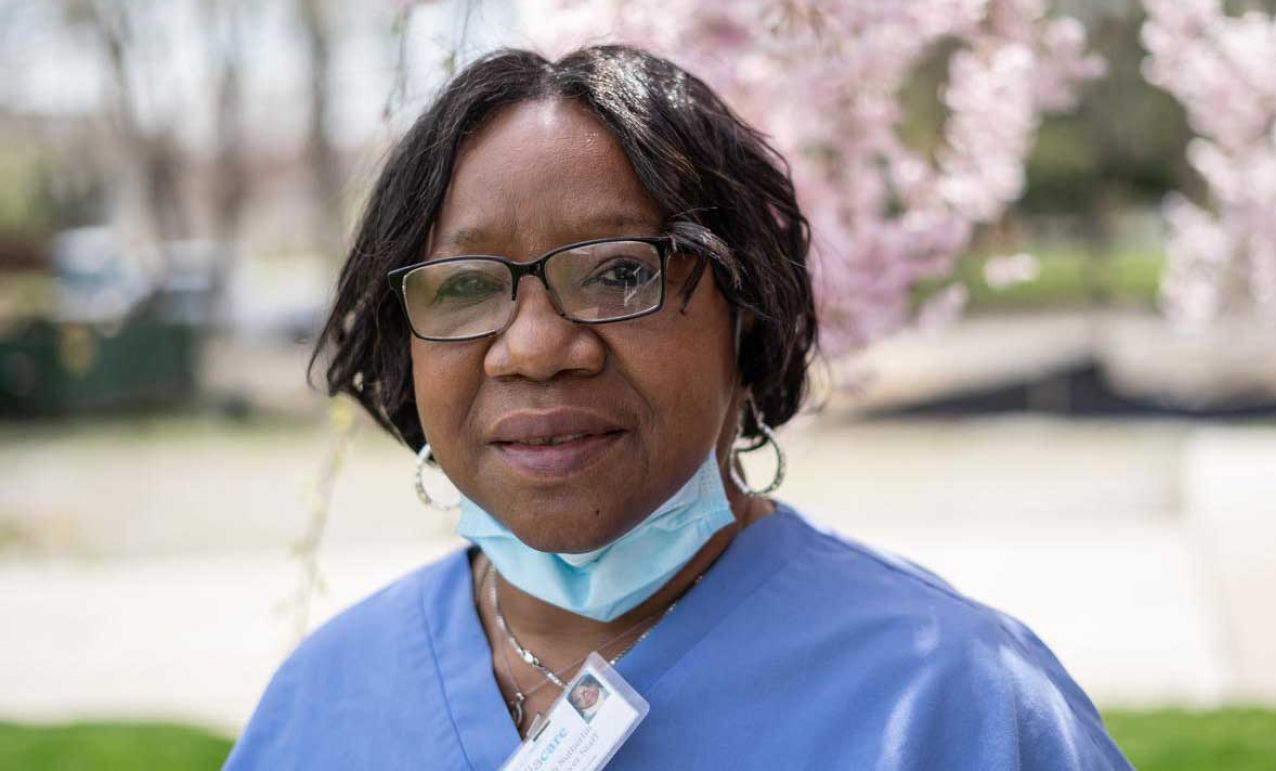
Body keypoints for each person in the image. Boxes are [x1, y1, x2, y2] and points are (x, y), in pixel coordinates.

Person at [224, 45, 1134, 770]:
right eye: (465, 285)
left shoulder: (955, 698)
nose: (536, 348)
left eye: (621, 272)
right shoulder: (326, 700)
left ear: (749, 313)